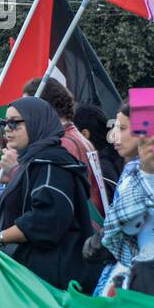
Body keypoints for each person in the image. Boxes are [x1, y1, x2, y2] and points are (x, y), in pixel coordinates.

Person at [0, 96, 98, 291]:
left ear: (35, 122)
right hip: (31, 275)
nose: (6, 129)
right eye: (4, 123)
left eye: (14, 123)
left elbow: (45, 220)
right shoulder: (33, 161)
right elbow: (15, 213)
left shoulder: (52, 164)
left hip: (53, 282)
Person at [94, 105, 154, 298]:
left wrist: (97, 244)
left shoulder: (136, 171)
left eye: (123, 128)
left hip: (135, 272)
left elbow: (120, 226)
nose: (115, 135)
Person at [21, 77, 106, 216]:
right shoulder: (70, 138)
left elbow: (53, 199)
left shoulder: (63, 144)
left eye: (28, 110)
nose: (23, 117)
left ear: (45, 108)